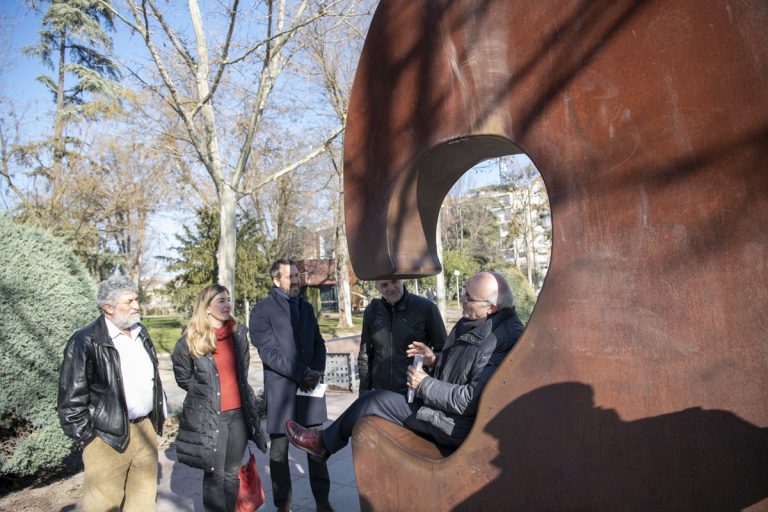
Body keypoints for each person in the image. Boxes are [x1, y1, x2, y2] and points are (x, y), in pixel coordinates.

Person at [284, 271, 524, 460]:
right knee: (371, 400)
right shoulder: (473, 321)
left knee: (373, 401)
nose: (461, 298)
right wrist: (435, 359)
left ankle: (323, 444)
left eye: (468, 296)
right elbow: (461, 369)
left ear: (490, 307)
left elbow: (468, 399)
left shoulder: (499, 339)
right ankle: (325, 442)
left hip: (452, 424)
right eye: (463, 291)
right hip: (437, 407)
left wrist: (424, 384)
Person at [58, 276, 165, 512]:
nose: (137, 305)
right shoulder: (85, 340)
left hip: (144, 428)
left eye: (136, 299)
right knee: (102, 505)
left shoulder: (141, 332)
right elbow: (70, 399)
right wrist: (89, 439)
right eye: (130, 301)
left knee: (144, 502)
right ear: (108, 307)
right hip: (105, 437)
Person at [171, 284, 267, 511]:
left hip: (238, 416)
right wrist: (208, 394)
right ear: (206, 308)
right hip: (210, 417)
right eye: (221, 301)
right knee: (215, 475)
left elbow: (241, 372)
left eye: (228, 300)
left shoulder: (238, 335)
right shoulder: (190, 341)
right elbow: (183, 378)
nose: (227, 305)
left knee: (232, 474)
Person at [249, 259, 332, 512]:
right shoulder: (262, 310)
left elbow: (319, 343)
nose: (296, 280)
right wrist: (301, 372)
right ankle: (283, 505)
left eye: (297, 275)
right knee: (279, 454)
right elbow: (269, 352)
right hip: (282, 391)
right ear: (276, 280)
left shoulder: (306, 308)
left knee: (317, 448)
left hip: (309, 389)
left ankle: (322, 501)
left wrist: (315, 372)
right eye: (290, 276)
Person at [358, 279, 446, 396]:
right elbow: (365, 355)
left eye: (394, 282)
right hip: (381, 394)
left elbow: (446, 353)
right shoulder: (372, 311)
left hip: (415, 393)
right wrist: (364, 393)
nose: (391, 288)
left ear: (402, 280)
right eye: (384, 285)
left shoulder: (426, 308)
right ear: (377, 288)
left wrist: (432, 360)